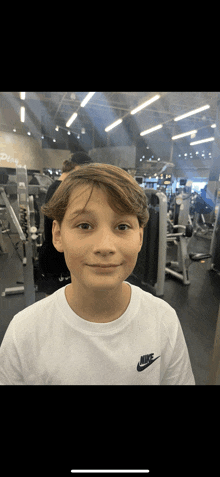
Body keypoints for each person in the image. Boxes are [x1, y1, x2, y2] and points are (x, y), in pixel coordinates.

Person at [0, 163, 195, 385]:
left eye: (122, 227)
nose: (105, 246)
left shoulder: (163, 321)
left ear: (140, 237)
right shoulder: (24, 333)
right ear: (57, 235)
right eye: (84, 225)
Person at [38, 151, 93, 295]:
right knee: (57, 307)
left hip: (56, 255)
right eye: (85, 172)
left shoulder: (58, 187)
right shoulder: (61, 190)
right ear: (77, 168)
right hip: (56, 258)